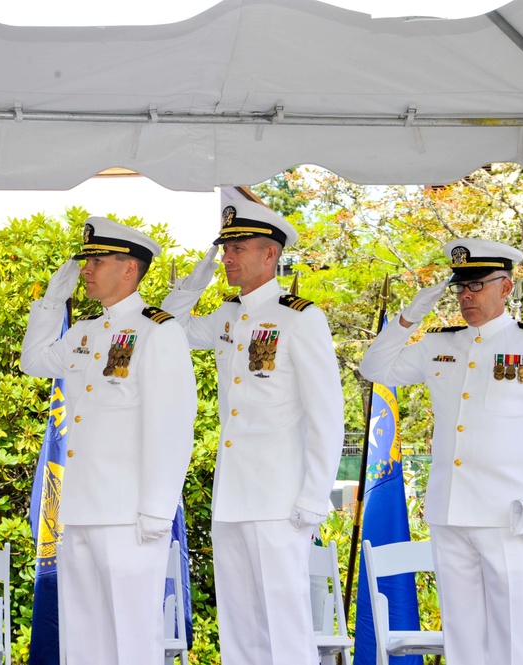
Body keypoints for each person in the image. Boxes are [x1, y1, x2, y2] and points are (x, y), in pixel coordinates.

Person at [359, 238, 523, 665]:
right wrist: (409, 318)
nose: (466, 295)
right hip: (450, 512)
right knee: (463, 642)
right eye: (460, 286)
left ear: (507, 287)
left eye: (477, 285)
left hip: (510, 516)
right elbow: (374, 368)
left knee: (515, 641)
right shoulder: (440, 345)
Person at [161, 200, 345, 665]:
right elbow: (168, 326)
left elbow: (327, 414)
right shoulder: (227, 316)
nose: (227, 257)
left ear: (269, 254)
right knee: (240, 626)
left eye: (237, 248)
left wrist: (312, 495)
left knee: (284, 624)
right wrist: (198, 276)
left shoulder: (299, 318)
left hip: (280, 498)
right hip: (233, 495)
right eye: (224, 248)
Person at [20, 217, 197, 664]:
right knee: (83, 641)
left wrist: (157, 510)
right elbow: (34, 362)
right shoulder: (84, 332)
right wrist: (49, 303)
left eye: (97, 260)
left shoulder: (158, 331)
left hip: (129, 517)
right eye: (87, 260)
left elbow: (172, 425)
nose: (87, 268)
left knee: (130, 640)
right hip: (80, 510)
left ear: (129, 269)